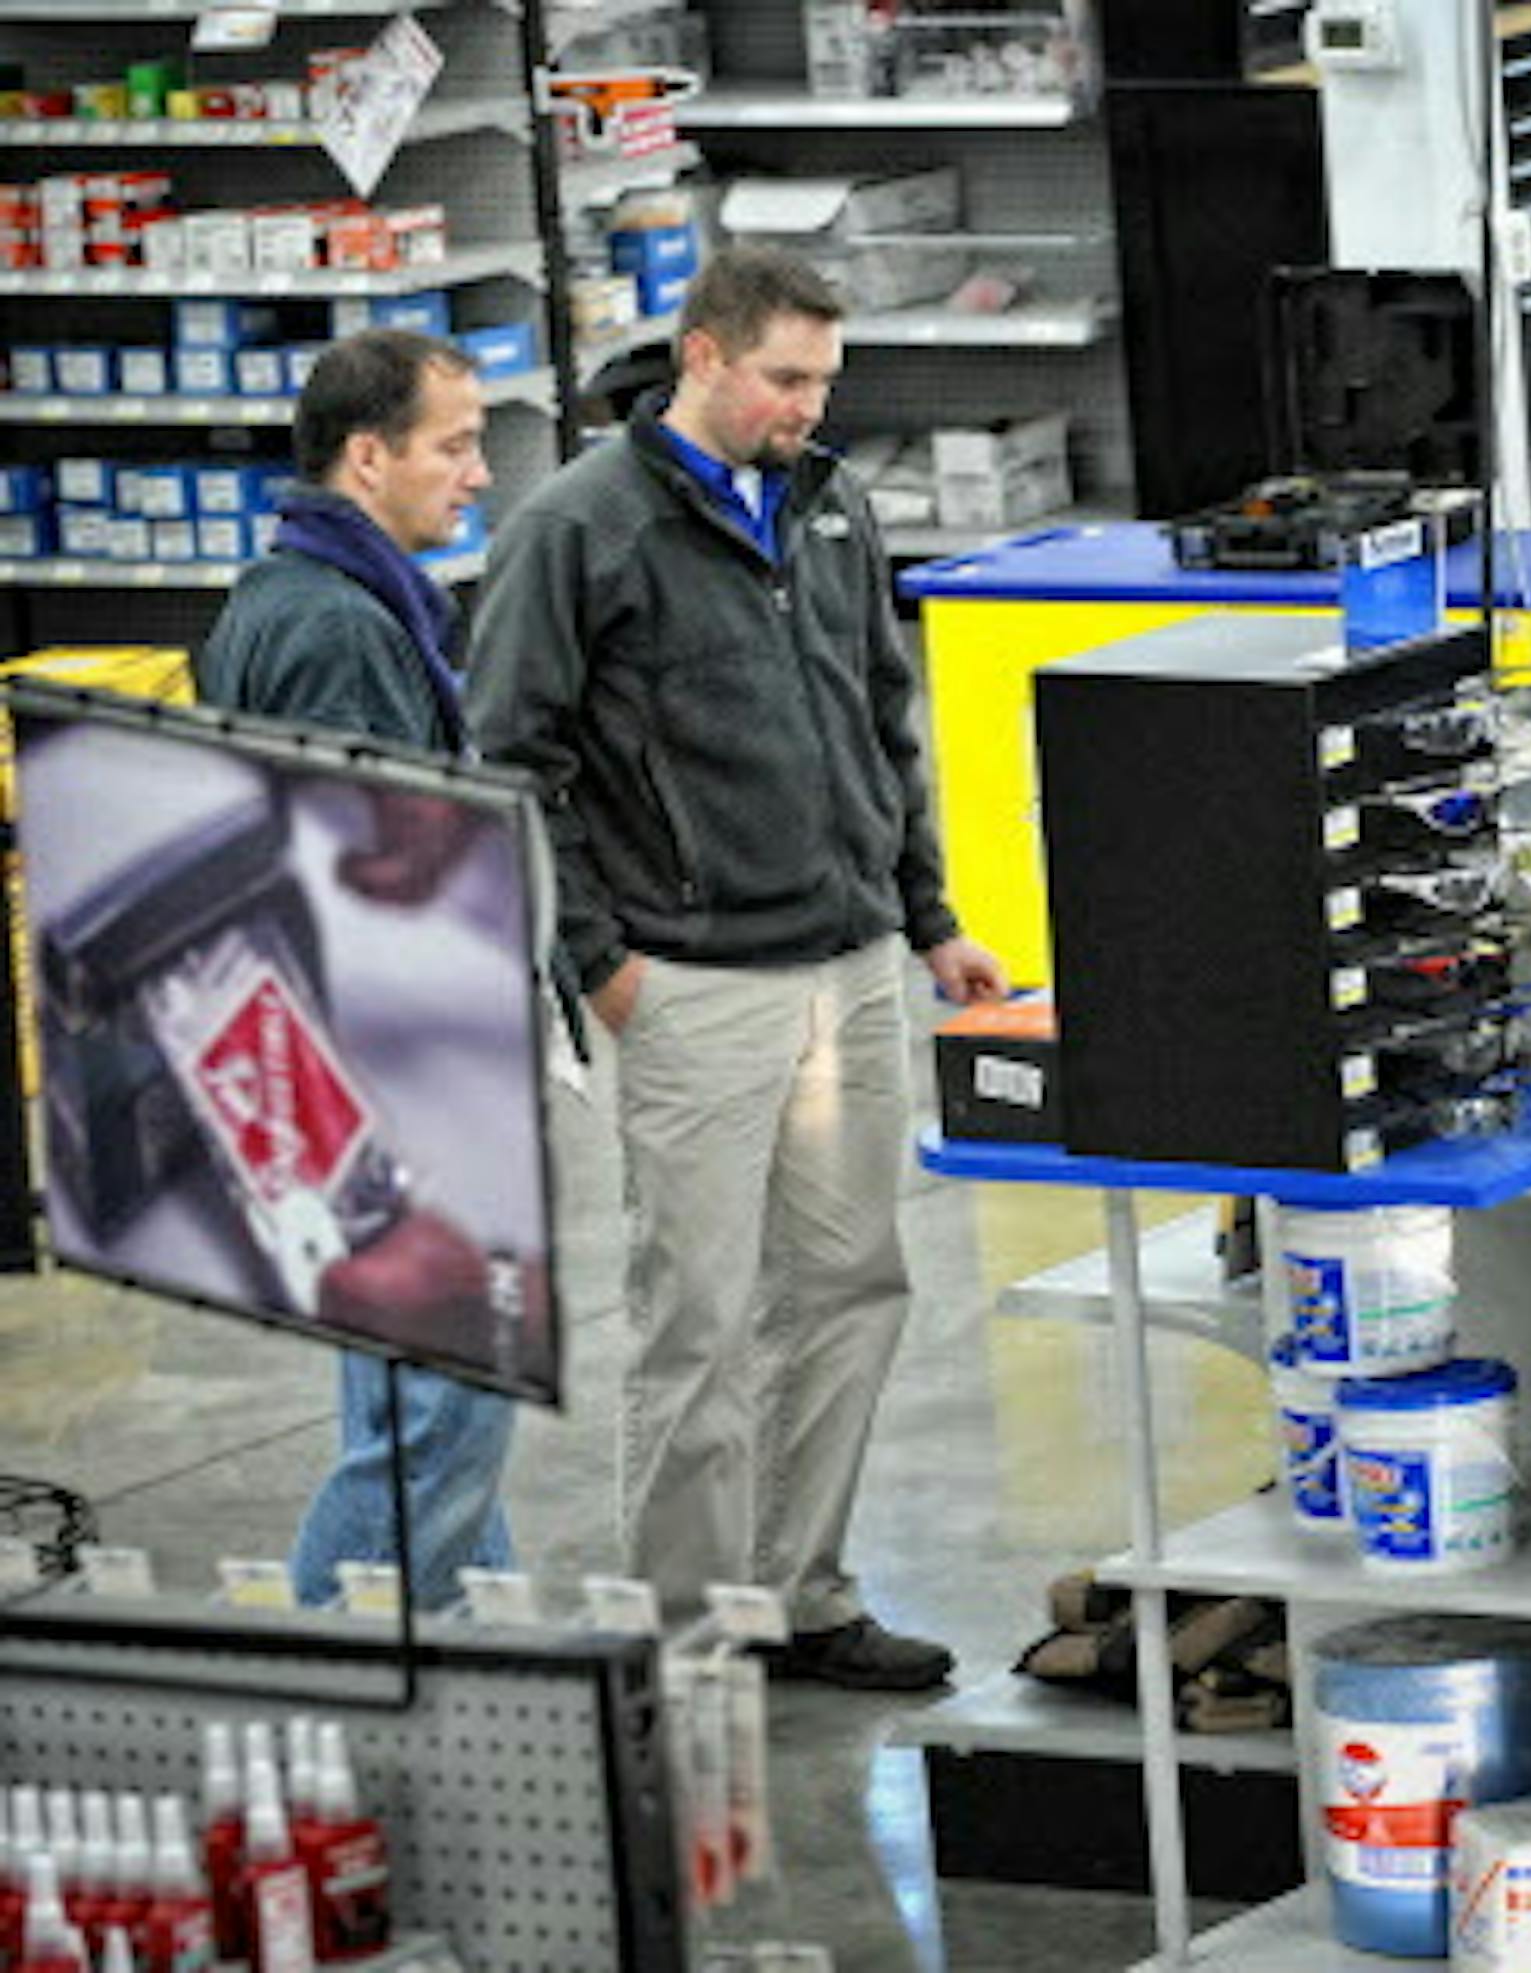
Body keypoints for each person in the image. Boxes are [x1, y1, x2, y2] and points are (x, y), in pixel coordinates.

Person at [468, 246, 1006, 1687]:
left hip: (850, 964)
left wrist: (931, 914)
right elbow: (510, 763)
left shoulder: (830, 502)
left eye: (826, 379)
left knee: (849, 1287)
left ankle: (806, 1595)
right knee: (696, 1317)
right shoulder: (580, 530)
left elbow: (881, 724)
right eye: (785, 377)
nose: (808, 407)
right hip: (692, 982)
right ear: (701, 357)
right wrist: (596, 961)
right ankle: (688, 1626)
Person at [193, 326, 516, 1612]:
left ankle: (476, 1678)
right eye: (456, 444)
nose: (480, 472)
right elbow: (370, 890)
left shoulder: (296, 599)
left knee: (418, 1412)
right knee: (436, 1433)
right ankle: (330, 1672)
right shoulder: (335, 631)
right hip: (380, 1077)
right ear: (367, 455)